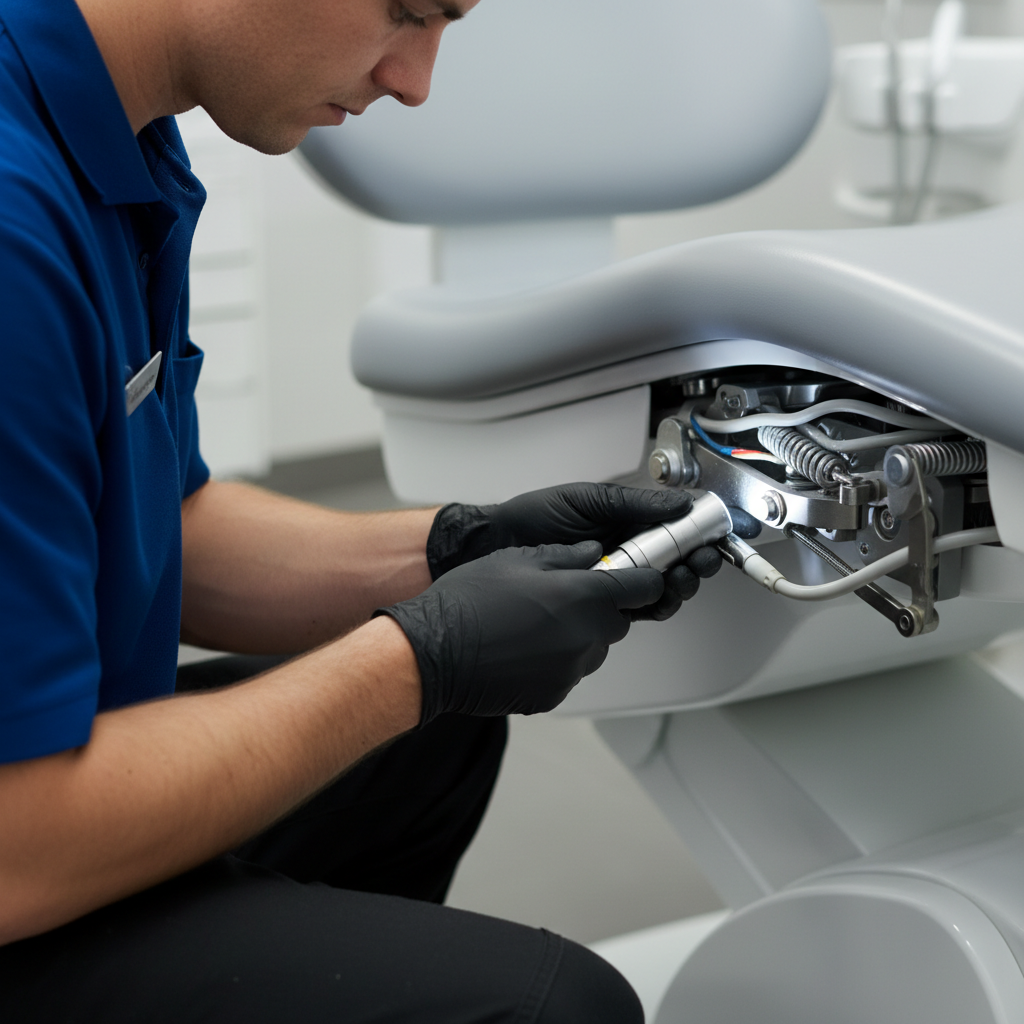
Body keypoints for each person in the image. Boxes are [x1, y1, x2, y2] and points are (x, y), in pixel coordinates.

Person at [0, 0, 736, 1019]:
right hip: (20, 851)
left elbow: (165, 529)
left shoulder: (120, 139)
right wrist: (415, 660)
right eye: (405, 12)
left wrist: (457, 548)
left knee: (431, 739)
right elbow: (20, 847)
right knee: (558, 1006)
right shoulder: (15, 223)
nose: (414, 81)